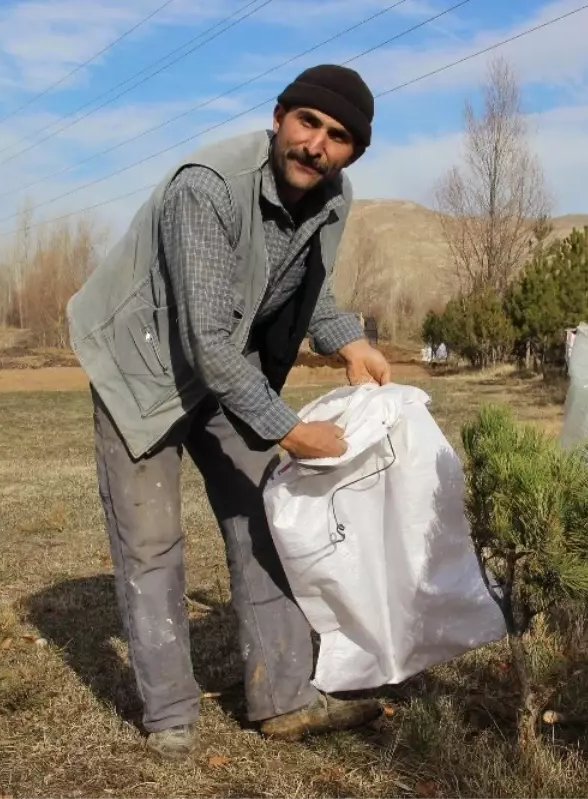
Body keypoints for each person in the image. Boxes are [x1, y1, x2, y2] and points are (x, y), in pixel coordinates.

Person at [65, 64, 391, 760]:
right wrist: (290, 429)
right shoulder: (207, 187)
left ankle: (284, 697)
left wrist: (350, 341)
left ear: (353, 152)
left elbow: (310, 291)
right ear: (279, 117)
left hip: (225, 365)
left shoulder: (333, 198)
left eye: (338, 137)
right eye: (308, 123)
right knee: (151, 543)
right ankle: (170, 712)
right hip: (142, 364)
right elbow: (206, 344)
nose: (316, 145)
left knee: (264, 521)